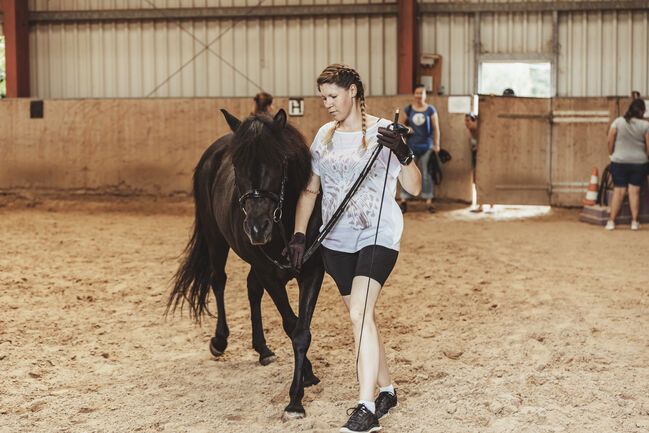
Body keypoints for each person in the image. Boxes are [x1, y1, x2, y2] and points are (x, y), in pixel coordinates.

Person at [286, 64, 422, 433]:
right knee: (365, 318)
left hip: (378, 236)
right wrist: (299, 234)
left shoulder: (384, 132)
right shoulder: (324, 136)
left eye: (333, 96)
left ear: (353, 92)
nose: (328, 104)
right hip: (336, 242)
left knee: (359, 313)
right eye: (323, 98)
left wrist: (405, 153)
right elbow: (311, 190)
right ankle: (388, 390)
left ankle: (366, 407)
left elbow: (415, 188)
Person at [605, 99, 649, 230]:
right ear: (641, 111)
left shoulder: (618, 121)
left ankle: (611, 222)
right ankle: (635, 222)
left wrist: (612, 153)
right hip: (639, 163)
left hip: (619, 161)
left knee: (618, 191)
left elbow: (610, 138)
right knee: (634, 191)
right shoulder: (645, 125)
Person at [399, 84, 440, 213]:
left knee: (426, 173)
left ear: (425, 95)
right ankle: (404, 200)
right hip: (412, 146)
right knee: (408, 173)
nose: (418, 95)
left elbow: (436, 128)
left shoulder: (430, 110)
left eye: (421, 93)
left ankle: (428, 201)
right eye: (416, 93)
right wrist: (407, 129)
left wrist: (436, 144)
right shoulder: (409, 109)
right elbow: (400, 125)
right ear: (414, 94)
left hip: (427, 146)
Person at [465, 113, 493, 213]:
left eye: (469, 121)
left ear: (475, 121)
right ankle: (483, 204)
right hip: (477, 158)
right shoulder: (471, 132)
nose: (467, 123)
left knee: (483, 180)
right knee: (477, 180)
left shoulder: (482, 130)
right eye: (466, 121)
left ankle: (487, 204)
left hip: (484, 159)